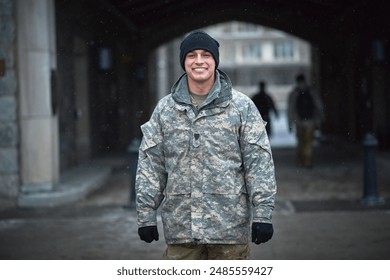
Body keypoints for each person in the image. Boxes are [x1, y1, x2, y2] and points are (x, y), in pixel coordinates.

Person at [135, 30, 277, 260]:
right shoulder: (165, 110)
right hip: (182, 232)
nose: (199, 61)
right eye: (191, 55)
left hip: (229, 231)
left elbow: (258, 163)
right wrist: (146, 215)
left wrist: (262, 214)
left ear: (215, 62)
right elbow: (151, 165)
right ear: (184, 62)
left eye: (205, 55)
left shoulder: (241, 107)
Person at [287, 73, 324, 168]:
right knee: (308, 142)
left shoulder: (295, 93)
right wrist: (320, 118)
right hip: (310, 121)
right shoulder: (311, 91)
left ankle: (302, 159)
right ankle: (307, 160)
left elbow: (291, 108)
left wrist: (290, 122)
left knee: (301, 141)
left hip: (299, 121)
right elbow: (318, 105)